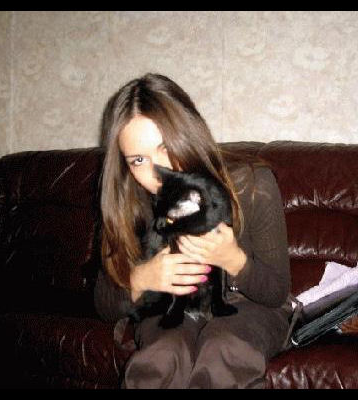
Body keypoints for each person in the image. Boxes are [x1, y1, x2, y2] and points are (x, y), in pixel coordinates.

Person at [94, 73, 292, 389]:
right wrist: (141, 278)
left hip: (249, 306)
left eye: (165, 147)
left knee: (223, 348)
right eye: (139, 160)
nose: (158, 172)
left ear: (188, 135)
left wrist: (234, 261)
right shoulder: (129, 202)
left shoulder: (250, 185)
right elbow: (103, 304)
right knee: (162, 355)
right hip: (171, 308)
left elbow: (277, 292)